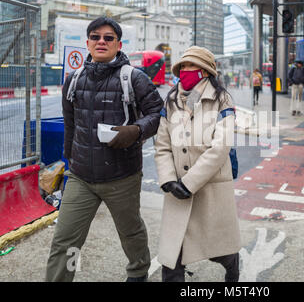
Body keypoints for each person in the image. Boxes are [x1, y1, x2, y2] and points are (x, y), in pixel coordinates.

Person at [45, 17, 164, 282]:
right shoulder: (73, 80)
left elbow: (158, 113)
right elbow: (70, 124)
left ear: (118, 44)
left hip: (122, 175)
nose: (101, 41)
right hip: (81, 176)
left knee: (130, 231)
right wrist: (68, 164)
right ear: (87, 42)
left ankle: (137, 272)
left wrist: (136, 130)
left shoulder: (134, 78)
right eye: (95, 37)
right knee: (65, 240)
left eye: (108, 38)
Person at [154, 46, 241, 282]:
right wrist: (168, 179)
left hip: (210, 187)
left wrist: (190, 183)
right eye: (183, 66)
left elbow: (220, 147)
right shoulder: (171, 100)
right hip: (176, 192)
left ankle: (233, 268)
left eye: (191, 66)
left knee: (220, 250)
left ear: (204, 71)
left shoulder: (221, 99)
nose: (185, 71)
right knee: (172, 256)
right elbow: (162, 145)